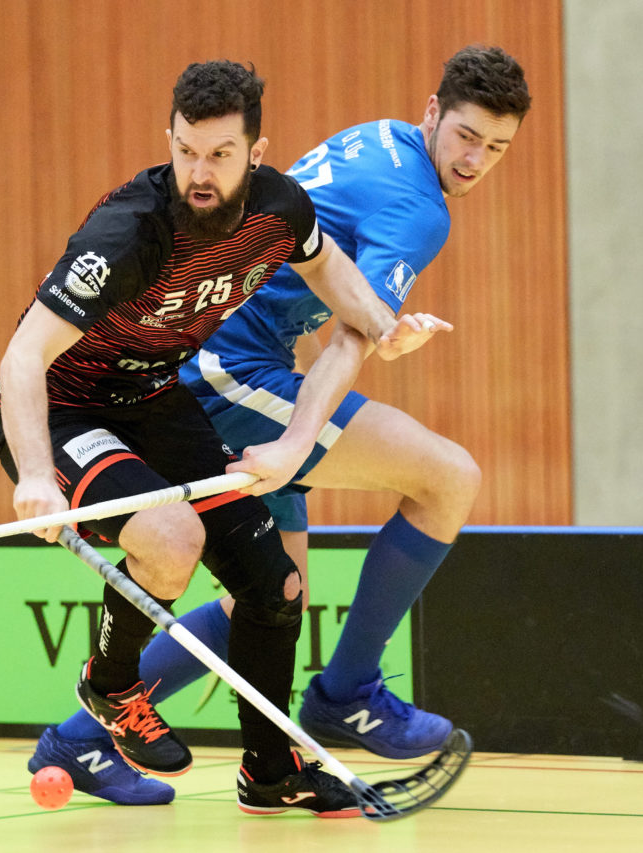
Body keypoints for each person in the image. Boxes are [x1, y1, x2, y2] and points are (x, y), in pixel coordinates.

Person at [39, 44, 532, 804]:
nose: (475, 161)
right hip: (235, 365)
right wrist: (299, 439)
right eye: (466, 136)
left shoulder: (380, 137)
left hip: (229, 355)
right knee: (447, 479)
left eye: (496, 148)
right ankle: (349, 690)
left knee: (266, 599)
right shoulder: (419, 210)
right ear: (434, 113)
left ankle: (81, 743)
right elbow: (351, 331)